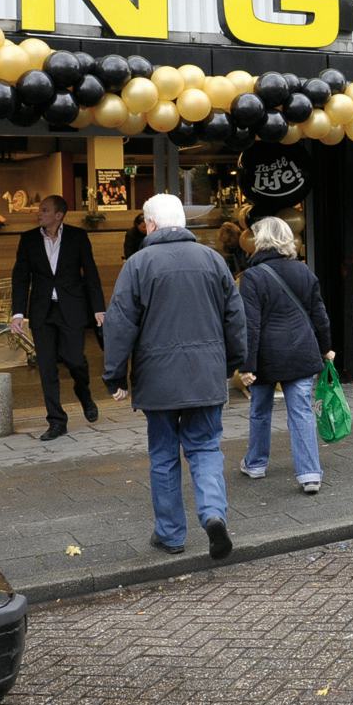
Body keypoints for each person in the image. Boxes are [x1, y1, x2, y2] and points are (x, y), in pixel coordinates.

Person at [104, 193, 246, 560]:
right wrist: (232, 362)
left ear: (150, 225)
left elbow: (120, 323)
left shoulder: (138, 265)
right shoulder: (213, 261)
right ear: (182, 222)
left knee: (164, 455)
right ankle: (214, 514)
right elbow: (235, 316)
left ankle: (170, 535)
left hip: (158, 379)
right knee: (206, 448)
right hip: (205, 376)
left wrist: (115, 376)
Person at [236, 217, 336, 493]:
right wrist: (326, 347)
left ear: (261, 240)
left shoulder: (253, 277)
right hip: (302, 352)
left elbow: (251, 325)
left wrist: (247, 365)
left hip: (267, 356)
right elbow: (319, 314)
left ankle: (255, 464)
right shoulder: (303, 271)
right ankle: (310, 474)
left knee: (259, 410)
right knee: (301, 412)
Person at [9, 195, 105, 441]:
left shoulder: (77, 237)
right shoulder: (28, 239)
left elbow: (91, 273)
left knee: (75, 360)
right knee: (46, 366)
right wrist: (18, 313)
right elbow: (21, 277)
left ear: (59, 215)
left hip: (72, 308)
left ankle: (83, 393)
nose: (38, 213)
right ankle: (56, 421)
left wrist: (98, 308)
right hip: (42, 311)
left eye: (44, 210)